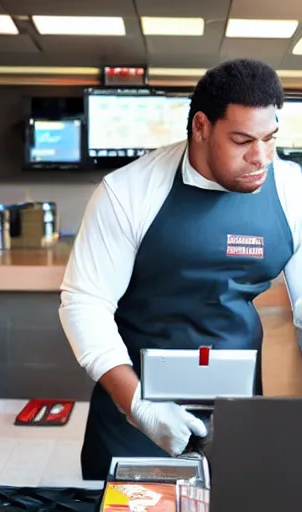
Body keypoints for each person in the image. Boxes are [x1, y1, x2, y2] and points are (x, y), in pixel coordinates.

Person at [59, 58, 302, 481]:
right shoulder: (128, 191)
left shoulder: (292, 191)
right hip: (135, 403)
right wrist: (137, 405)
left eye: (270, 138)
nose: (260, 157)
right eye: (243, 140)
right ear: (202, 126)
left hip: (237, 405)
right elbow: (85, 303)